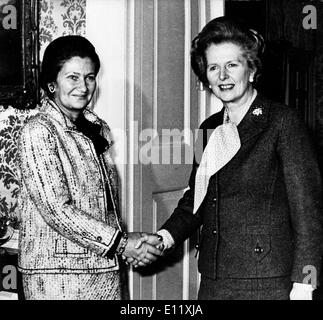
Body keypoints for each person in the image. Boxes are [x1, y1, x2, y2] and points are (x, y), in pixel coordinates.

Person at [136, 17, 323, 300]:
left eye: (232, 65)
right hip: (213, 279)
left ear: (251, 70)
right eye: (213, 67)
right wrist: (163, 238)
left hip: (267, 280)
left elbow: (308, 212)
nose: (223, 76)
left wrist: (304, 284)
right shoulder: (208, 129)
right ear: (205, 77)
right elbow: (195, 200)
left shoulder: (282, 123)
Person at [16, 35, 162, 300]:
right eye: (72, 77)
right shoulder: (38, 131)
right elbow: (57, 211)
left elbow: (101, 206)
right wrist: (123, 244)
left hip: (102, 269)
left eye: (90, 77)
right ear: (52, 83)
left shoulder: (97, 128)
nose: (83, 86)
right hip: (56, 278)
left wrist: (125, 240)